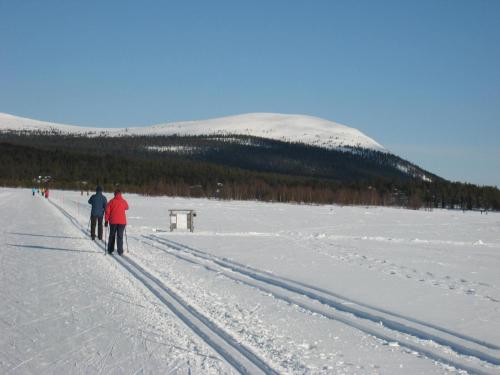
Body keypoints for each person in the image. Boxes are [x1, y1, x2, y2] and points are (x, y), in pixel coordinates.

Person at [105, 189, 129, 255]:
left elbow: (107, 212)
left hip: (113, 221)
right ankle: (120, 251)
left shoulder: (111, 201)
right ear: (120, 194)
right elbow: (127, 207)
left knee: (112, 235)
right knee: (120, 236)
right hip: (122, 222)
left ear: (114, 194)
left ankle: (110, 250)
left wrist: (106, 220)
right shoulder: (123, 201)